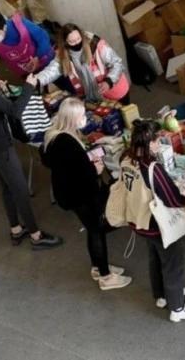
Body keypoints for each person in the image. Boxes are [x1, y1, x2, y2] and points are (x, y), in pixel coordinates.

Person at [0, 44, 62, 250]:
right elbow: (15, 111)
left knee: (8, 188)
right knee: (21, 191)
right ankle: (36, 235)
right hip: (1, 146)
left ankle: (16, 229)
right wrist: (28, 86)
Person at [43, 98, 132, 290]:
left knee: (93, 229)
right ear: (73, 118)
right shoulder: (68, 142)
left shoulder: (52, 135)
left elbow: (59, 165)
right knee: (96, 229)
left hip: (67, 193)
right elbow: (83, 173)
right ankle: (106, 277)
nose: (85, 118)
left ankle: (98, 267)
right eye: (82, 115)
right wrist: (96, 170)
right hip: (80, 194)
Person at [121, 119, 185, 322]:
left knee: (155, 258)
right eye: (158, 140)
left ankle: (160, 295)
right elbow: (171, 198)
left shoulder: (126, 159)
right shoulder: (152, 168)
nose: (159, 144)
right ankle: (177, 307)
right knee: (173, 263)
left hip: (138, 220)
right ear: (149, 143)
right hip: (157, 224)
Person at [35, 23, 130, 104]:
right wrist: (36, 80)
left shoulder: (96, 45)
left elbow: (116, 63)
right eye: (71, 42)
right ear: (65, 43)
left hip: (116, 92)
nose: (76, 43)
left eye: (78, 39)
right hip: (96, 100)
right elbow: (51, 71)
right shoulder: (64, 55)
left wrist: (108, 82)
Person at [0, 10, 54, 78]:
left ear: (5, 27)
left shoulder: (21, 24)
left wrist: (38, 57)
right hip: (24, 71)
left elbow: (43, 37)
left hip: (43, 61)